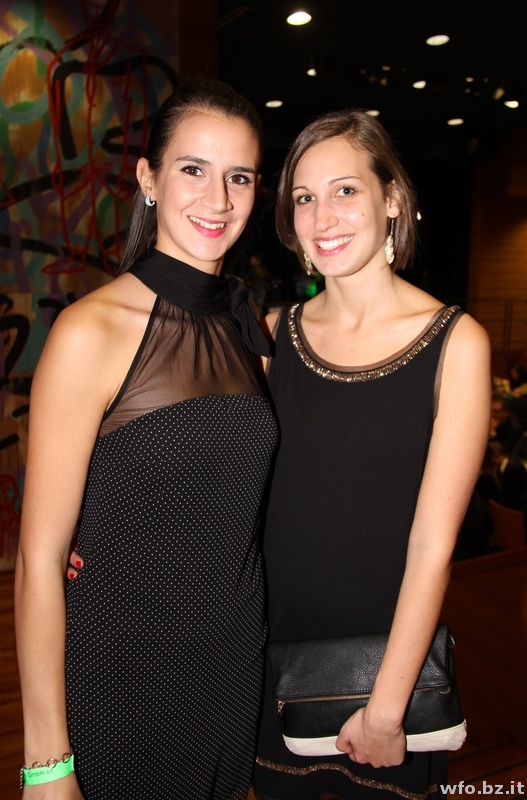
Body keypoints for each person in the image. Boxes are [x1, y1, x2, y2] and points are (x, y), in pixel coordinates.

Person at [15, 78, 278, 800]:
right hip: (122, 673)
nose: (218, 199)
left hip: (230, 669)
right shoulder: (90, 332)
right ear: (149, 179)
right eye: (194, 169)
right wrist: (46, 765)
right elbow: (39, 561)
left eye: (239, 177)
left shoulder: (247, 329)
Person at [251, 110, 491, 799]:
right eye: (304, 197)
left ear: (392, 198)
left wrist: (386, 707)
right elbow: (225, 489)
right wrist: (107, 534)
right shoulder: (273, 334)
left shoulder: (455, 343)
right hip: (271, 666)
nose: (322, 216)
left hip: (388, 682)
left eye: (345, 190)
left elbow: (431, 545)